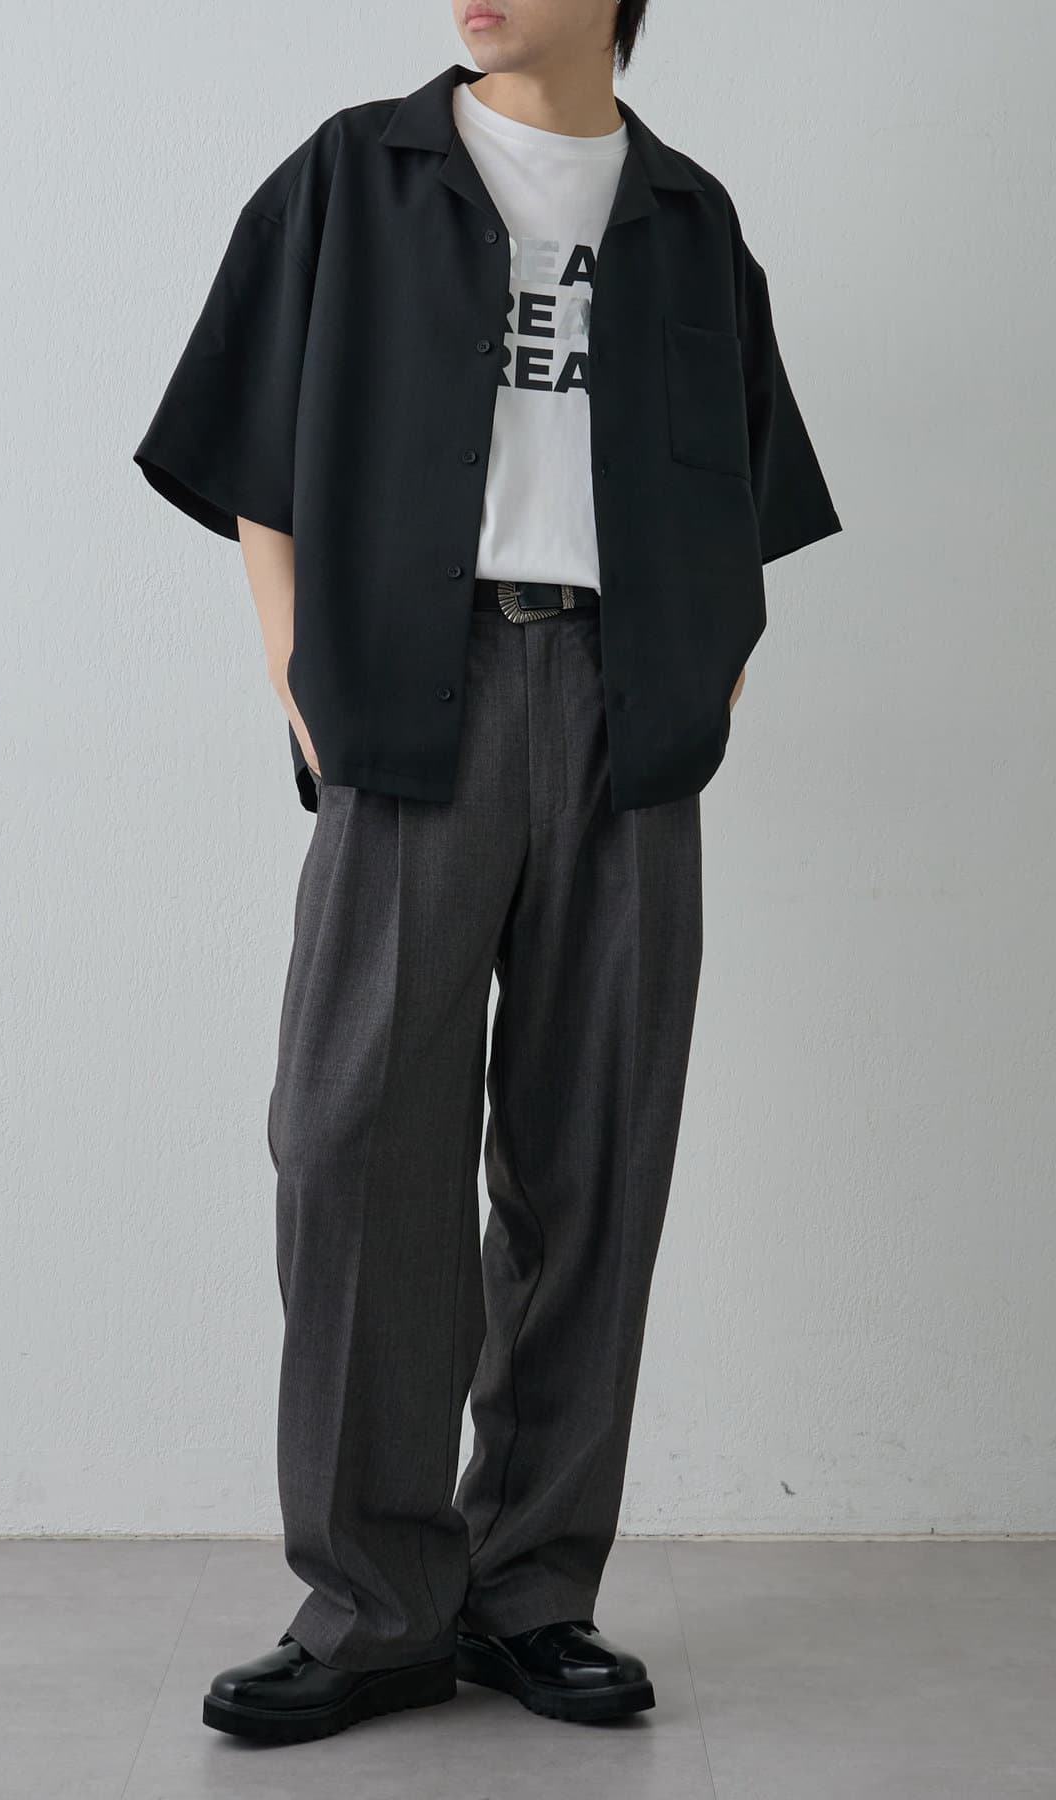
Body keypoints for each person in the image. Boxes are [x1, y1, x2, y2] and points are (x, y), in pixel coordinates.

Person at [133, 0, 840, 1747]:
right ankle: (377, 1606)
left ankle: (533, 1593)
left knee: (592, 1154)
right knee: (353, 1143)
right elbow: (257, 453)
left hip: (627, 709)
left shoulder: (689, 219)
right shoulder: (351, 178)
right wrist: (299, 680)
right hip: (409, 692)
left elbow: (744, 488)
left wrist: (701, 686)